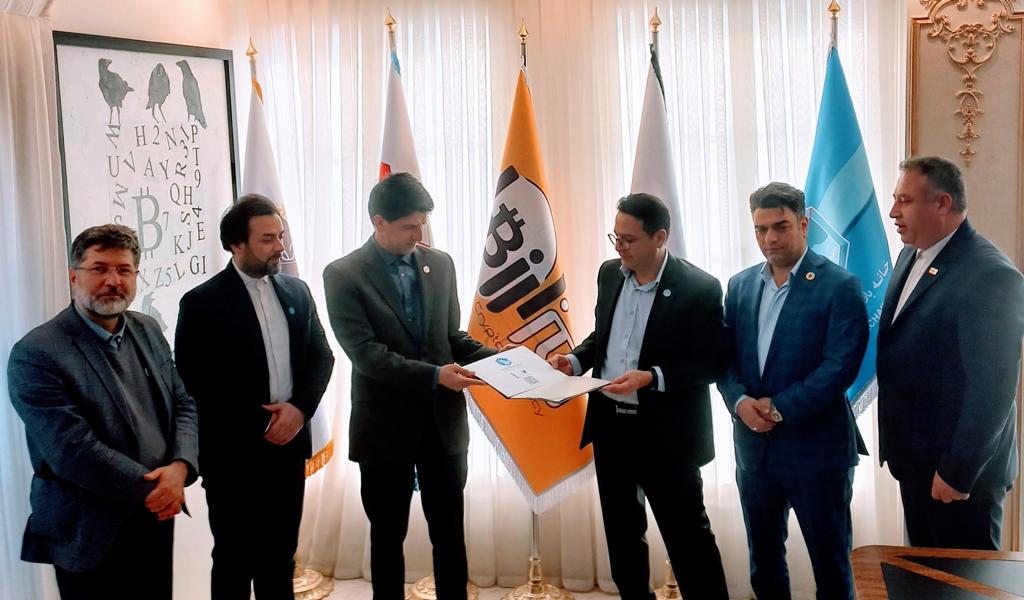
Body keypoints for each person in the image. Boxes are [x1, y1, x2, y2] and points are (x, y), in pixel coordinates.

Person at [548, 193, 729, 600]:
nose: (619, 247)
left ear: (659, 238)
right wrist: (574, 361)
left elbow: (712, 363)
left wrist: (652, 378)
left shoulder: (698, 287)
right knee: (623, 536)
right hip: (612, 428)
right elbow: (604, 335)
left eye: (629, 239)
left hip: (668, 435)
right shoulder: (610, 274)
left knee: (688, 538)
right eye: (615, 237)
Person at [323, 173, 495, 600]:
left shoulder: (441, 264)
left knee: (450, 537)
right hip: (384, 430)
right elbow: (367, 354)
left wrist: (501, 360)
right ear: (378, 222)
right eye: (408, 227)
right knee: (387, 538)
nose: (418, 235)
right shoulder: (343, 274)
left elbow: (450, 337)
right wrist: (436, 376)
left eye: (422, 224)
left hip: (443, 426)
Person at [7, 224, 198, 600]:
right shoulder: (36, 352)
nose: (113, 281)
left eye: (124, 270)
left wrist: (180, 467)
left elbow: (183, 402)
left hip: (156, 515)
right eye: (99, 269)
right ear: (73, 276)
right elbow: (70, 449)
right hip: (87, 528)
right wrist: (157, 489)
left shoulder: (147, 329)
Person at [175, 195, 335, 599]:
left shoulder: (297, 291)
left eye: (280, 236)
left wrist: (299, 411)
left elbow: (322, 357)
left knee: (280, 558)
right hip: (233, 456)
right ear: (236, 244)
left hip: (288, 448)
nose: (280, 246)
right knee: (234, 560)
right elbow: (197, 384)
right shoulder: (201, 303)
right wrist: (265, 422)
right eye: (267, 239)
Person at [718, 182, 868, 600]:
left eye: (780, 226)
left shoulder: (840, 286)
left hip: (818, 451)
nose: (770, 238)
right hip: (754, 450)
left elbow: (840, 367)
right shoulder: (740, 285)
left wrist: (779, 408)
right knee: (763, 564)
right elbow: (723, 359)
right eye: (760, 229)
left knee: (831, 568)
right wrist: (740, 402)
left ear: (804, 224)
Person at [877, 155, 1024, 550]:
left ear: (942, 203)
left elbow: (992, 391)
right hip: (915, 463)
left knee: (965, 578)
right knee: (925, 574)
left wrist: (957, 471)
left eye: (905, 200)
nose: (893, 212)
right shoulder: (913, 252)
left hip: (959, 477)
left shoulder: (990, 275)